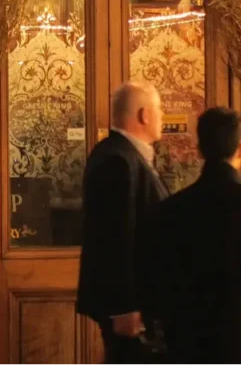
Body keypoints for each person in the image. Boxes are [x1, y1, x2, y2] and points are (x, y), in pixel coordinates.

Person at [142, 107, 241, 363]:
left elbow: (156, 279)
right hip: (239, 340)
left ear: (199, 150)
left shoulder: (170, 210)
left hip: (184, 339)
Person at [77, 82, 169, 365]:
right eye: (159, 109)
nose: (163, 116)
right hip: (128, 308)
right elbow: (115, 237)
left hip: (139, 303)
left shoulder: (126, 155)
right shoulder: (116, 159)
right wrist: (124, 307)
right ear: (144, 115)